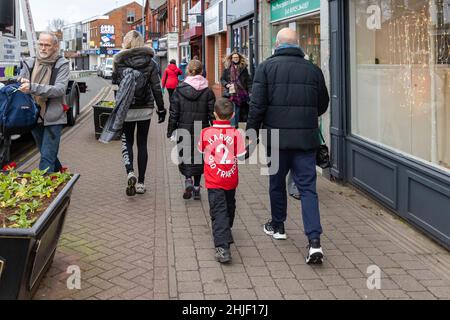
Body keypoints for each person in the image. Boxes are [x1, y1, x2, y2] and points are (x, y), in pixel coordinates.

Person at [246, 28, 330, 265]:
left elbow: (257, 105)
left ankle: (279, 226)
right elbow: (321, 104)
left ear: (277, 44)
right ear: (297, 44)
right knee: (308, 190)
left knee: (276, 184)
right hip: (306, 140)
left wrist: (250, 134)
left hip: (276, 139)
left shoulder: (266, 68)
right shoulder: (313, 70)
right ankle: (314, 242)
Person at [112, 30, 166, 196]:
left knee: (127, 141)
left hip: (127, 108)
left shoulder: (119, 62)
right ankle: (141, 182)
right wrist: (161, 108)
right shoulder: (151, 62)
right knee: (142, 143)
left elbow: (115, 87)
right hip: (145, 107)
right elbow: (157, 88)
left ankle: (130, 172)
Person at [198, 98, 246, 263]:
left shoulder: (206, 132)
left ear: (213, 114)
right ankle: (225, 232)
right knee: (229, 205)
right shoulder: (236, 133)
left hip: (213, 179)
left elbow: (200, 149)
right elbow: (241, 155)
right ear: (233, 115)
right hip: (230, 178)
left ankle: (223, 248)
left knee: (218, 210)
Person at [18, 32, 70, 173]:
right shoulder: (29, 62)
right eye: (40, 44)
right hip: (34, 115)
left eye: (47, 45)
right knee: (46, 152)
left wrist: (32, 87)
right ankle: (61, 174)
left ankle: (45, 192)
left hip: (53, 117)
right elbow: (21, 83)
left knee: (46, 158)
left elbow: (59, 90)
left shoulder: (62, 64)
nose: (43, 48)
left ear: (55, 46)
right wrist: (19, 82)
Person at [167, 60, 215, 201]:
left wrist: (171, 130)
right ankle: (196, 187)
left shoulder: (179, 89)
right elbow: (212, 113)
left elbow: (174, 112)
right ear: (201, 71)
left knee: (186, 154)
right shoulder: (207, 91)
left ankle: (188, 180)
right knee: (199, 157)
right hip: (202, 129)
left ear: (188, 71)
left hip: (184, 128)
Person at [221, 51, 252, 129]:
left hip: (241, 93)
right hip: (230, 93)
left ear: (239, 58)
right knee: (233, 109)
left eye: (237, 57)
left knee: (238, 109)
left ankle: (235, 125)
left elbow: (248, 81)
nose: (235, 59)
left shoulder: (243, 68)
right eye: (234, 57)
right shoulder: (227, 68)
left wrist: (250, 91)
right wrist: (226, 85)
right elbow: (222, 79)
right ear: (231, 59)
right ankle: (233, 125)